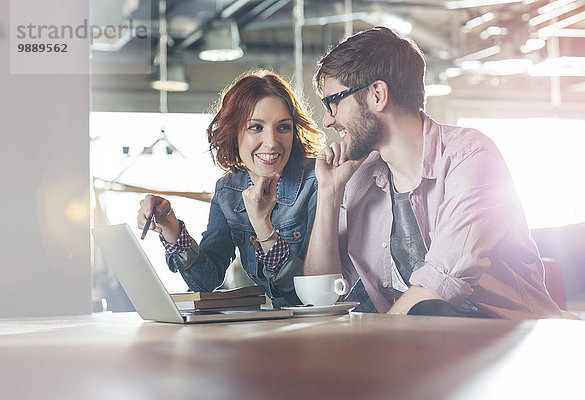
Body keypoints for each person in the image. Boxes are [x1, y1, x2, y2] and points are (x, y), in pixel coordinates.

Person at [304, 26, 563, 319]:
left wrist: (376, 347)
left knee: (428, 307)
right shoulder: (360, 177)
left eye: (333, 102)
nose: (327, 120)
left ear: (377, 95)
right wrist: (328, 193)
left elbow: (441, 285)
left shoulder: (470, 157)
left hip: (514, 342)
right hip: (428, 347)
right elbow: (320, 295)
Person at [138, 70, 322, 307]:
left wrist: (261, 224)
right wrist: (170, 227)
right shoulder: (228, 190)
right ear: (234, 132)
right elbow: (206, 280)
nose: (272, 142)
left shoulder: (317, 181)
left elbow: (312, 294)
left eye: (283, 127)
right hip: (274, 328)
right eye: (256, 127)